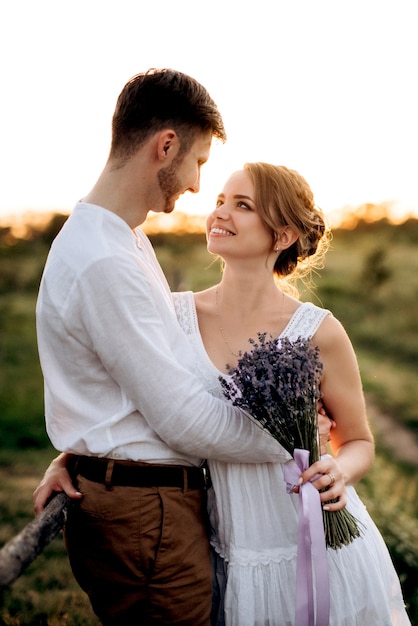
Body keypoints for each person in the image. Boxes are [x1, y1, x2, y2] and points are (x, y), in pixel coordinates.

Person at [35, 160, 410, 625]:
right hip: (231, 544)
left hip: (318, 542)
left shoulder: (320, 332)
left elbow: (358, 441)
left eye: (243, 205)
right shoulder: (174, 315)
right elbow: (134, 402)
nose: (220, 213)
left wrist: (339, 469)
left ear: (283, 235)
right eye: (219, 201)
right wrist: (72, 456)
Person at [34, 69, 313, 626]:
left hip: (150, 507)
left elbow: (151, 378)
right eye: (199, 162)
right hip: (147, 519)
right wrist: (295, 442)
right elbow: (183, 417)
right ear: (166, 147)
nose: (194, 185)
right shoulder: (104, 259)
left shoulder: (124, 239)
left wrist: (86, 445)